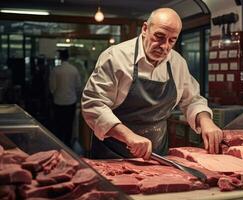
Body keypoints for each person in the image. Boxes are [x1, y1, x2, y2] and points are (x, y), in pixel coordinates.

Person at [81, 8, 222, 160]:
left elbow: (192, 100)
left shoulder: (177, 63)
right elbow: (93, 104)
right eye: (159, 37)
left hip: (157, 154)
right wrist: (128, 136)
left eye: (172, 40)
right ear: (145, 29)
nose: (165, 46)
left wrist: (206, 120)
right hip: (113, 154)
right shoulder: (115, 57)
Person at [50, 49, 81, 147]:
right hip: (71, 102)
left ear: (60, 57)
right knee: (69, 125)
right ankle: (68, 146)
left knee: (58, 125)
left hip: (58, 101)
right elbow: (78, 86)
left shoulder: (56, 70)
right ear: (68, 57)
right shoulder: (74, 69)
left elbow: (52, 88)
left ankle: (58, 146)